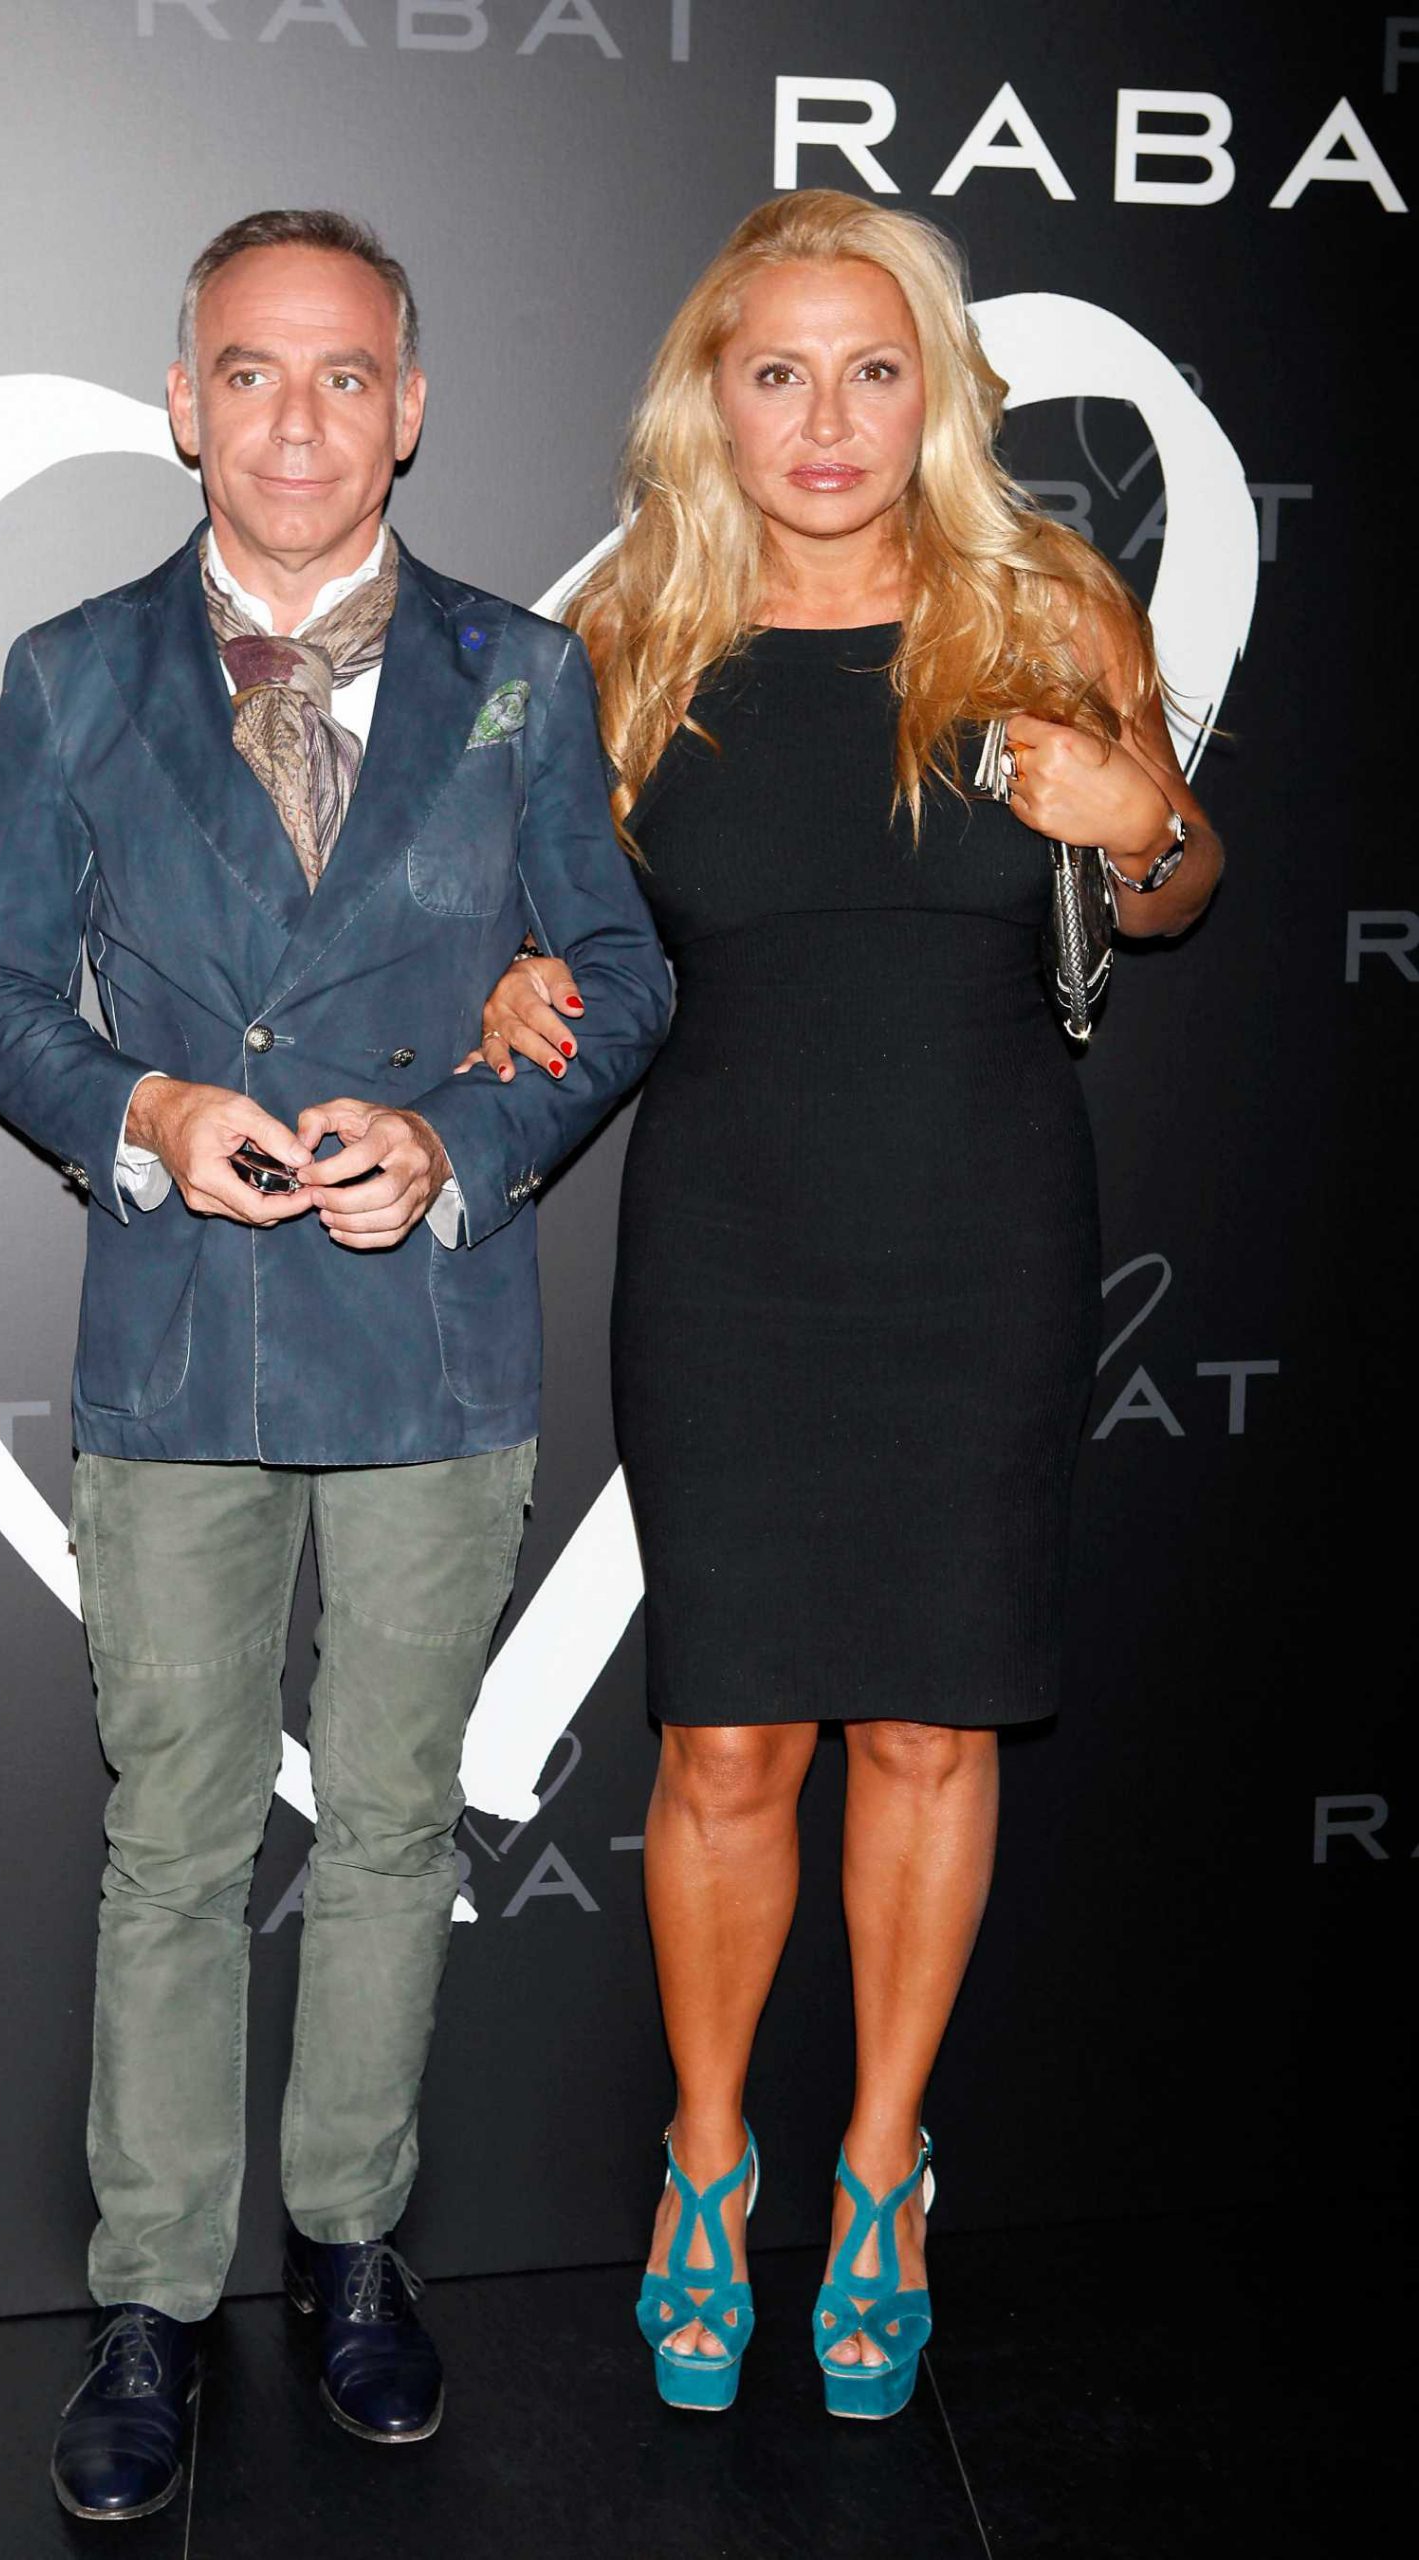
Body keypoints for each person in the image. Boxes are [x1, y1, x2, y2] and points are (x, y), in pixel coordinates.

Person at [0, 207, 671, 2519]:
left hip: (430, 1330)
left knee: (381, 1831)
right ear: (183, 403)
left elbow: (622, 978)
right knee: (167, 1842)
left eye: (341, 374)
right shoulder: (67, 672)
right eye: (248, 371)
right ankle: (149, 2294)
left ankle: (353, 2248)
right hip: (171, 1336)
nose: (292, 415)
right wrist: (144, 1112)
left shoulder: (520, 676)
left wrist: (458, 1134)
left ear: (410, 408)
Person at [466, 190, 1223, 2420]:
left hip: (975, 1228)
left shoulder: (1041, 601)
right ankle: (710, 2159)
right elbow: (561, 945)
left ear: (934, 393)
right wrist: (520, 973)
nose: (822, 415)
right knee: (722, 1737)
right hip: (729, 1233)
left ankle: (879, 2164)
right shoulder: (630, 635)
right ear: (710, 394)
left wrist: (1137, 807)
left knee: (925, 1724)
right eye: (774, 369)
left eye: (868, 367)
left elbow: (1173, 886)